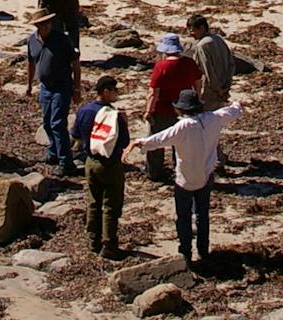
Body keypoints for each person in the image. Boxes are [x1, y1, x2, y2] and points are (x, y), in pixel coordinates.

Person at [129, 89, 243, 270]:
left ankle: (186, 252)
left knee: (183, 217)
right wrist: (237, 104)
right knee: (202, 214)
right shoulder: (213, 118)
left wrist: (140, 142)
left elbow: (160, 139)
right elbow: (232, 111)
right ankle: (203, 250)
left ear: (181, 109)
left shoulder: (183, 127)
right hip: (206, 176)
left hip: (185, 179)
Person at [73, 75, 130, 258]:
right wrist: (125, 123)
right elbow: (124, 142)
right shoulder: (114, 116)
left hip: (90, 162)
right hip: (110, 164)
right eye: (114, 90)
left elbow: (76, 135)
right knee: (111, 205)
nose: (117, 94)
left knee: (93, 202)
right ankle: (109, 244)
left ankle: (93, 239)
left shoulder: (84, 111)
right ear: (105, 92)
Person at [24, 9, 81, 174]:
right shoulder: (32, 41)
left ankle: (66, 162)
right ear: (37, 26)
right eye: (43, 23)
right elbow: (30, 63)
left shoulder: (62, 40)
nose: (47, 26)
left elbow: (75, 65)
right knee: (47, 123)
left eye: (49, 22)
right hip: (45, 88)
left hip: (62, 87)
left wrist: (76, 89)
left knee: (58, 124)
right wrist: (28, 85)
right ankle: (54, 151)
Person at [143, 33, 203, 184]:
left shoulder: (161, 67)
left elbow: (153, 92)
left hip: (162, 110)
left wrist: (149, 111)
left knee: (155, 142)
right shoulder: (189, 63)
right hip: (184, 109)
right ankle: (180, 171)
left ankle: (154, 173)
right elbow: (198, 83)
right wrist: (197, 99)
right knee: (181, 143)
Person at [186, 14, 234, 111]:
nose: (190, 34)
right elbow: (231, 64)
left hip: (211, 91)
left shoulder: (202, 46)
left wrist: (218, 90)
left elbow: (208, 71)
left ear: (202, 28)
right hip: (224, 86)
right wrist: (227, 86)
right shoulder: (218, 39)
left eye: (193, 30)